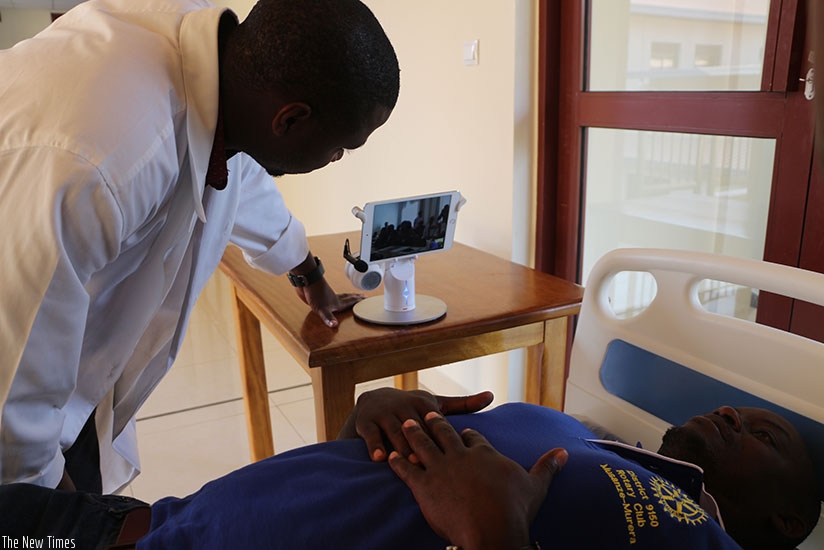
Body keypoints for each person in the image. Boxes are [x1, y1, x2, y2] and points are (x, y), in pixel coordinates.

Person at [0, 0, 399, 495]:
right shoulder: (95, 164)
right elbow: (11, 389)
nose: (336, 158)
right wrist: (55, 514)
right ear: (291, 119)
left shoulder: (223, 68)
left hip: (61, 383)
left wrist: (309, 274)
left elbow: (239, 175)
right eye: (342, 146)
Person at [1, 389, 819, 549]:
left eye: (764, 438)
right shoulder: (578, 429)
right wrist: (365, 425)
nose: (733, 413)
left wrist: (492, 530)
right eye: (745, 412)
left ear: (788, 522)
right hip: (136, 521)